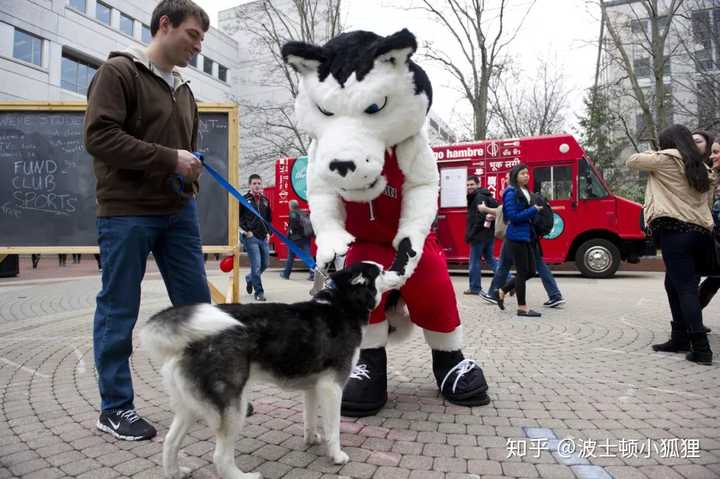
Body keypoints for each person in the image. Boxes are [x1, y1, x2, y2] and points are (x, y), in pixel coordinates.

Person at [84, 0, 211, 441]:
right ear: (164, 24)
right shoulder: (117, 73)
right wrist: (168, 159)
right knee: (119, 309)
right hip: (126, 212)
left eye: (201, 39)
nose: (198, 46)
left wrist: (188, 179)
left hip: (178, 213)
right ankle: (115, 408)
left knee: (197, 308)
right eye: (193, 35)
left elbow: (186, 154)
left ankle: (210, 392)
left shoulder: (185, 89)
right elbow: (100, 137)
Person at [627, 124, 714, 365]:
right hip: (700, 234)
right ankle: (679, 338)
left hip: (676, 233)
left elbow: (633, 160)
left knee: (685, 288)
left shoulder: (666, 159)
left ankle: (701, 347)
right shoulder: (700, 166)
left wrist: (661, 152)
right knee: (672, 284)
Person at [497, 164, 543, 317]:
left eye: (527, 173)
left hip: (526, 236)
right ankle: (522, 308)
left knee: (531, 271)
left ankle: (503, 290)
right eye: (522, 173)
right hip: (516, 236)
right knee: (523, 272)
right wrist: (533, 210)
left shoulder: (525, 191)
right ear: (515, 175)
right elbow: (512, 217)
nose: (526, 176)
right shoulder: (510, 192)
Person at [463, 176, 498, 295]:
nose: (469, 187)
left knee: (474, 261)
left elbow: (480, 217)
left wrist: (471, 234)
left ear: (478, 184)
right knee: (490, 258)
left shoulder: (478, 197)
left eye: (472, 184)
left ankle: (475, 288)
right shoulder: (488, 195)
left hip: (479, 235)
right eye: (467, 185)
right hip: (489, 234)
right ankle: (508, 279)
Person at [239, 174, 271, 301]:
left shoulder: (265, 200)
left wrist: (268, 232)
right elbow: (238, 218)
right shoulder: (243, 199)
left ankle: (249, 278)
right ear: (250, 185)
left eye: (259, 183)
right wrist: (246, 231)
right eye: (254, 183)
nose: (257, 186)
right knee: (256, 266)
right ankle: (259, 292)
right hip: (250, 237)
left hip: (263, 237)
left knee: (265, 264)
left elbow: (268, 219)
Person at [698, 138, 720, 314]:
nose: (712, 156)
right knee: (712, 282)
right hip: (716, 237)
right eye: (712, 152)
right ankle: (689, 323)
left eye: (716, 152)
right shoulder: (714, 177)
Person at [281, 199, 314, 280]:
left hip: (296, 239)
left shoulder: (293, 213)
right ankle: (313, 273)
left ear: (291, 206)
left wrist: (289, 235)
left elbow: (293, 227)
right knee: (308, 256)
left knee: (291, 257)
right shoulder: (303, 212)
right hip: (306, 237)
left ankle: (286, 274)